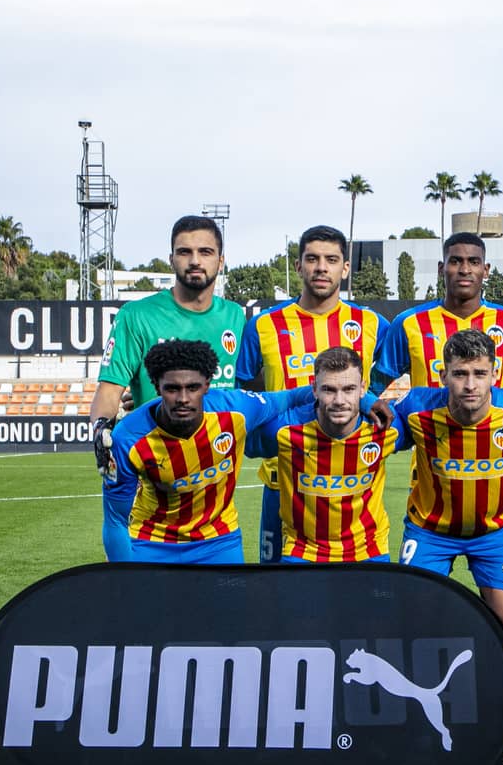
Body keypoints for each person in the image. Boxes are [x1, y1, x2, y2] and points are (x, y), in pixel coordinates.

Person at [390, 329, 503, 765]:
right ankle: (411, 734)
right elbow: (373, 425)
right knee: (411, 622)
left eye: (480, 373)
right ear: (443, 374)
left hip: (494, 533)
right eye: (460, 374)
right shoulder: (416, 408)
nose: (470, 384)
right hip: (429, 531)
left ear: (495, 374)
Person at [91, 216, 247, 559]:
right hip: (155, 482)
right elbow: (110, 388)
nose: (195, 260)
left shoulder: (236, 317)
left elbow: (249, 389)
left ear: (221, 260)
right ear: (171, 258)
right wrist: (100, 430)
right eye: (184, 252)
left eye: (205, 252)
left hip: (212, 483)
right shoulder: (136, 316)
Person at [237, 225, 389, 563]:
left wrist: (368, 399)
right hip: (283, 478)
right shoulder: (263, 326)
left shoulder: (372, 324)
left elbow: (385, 374)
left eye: (331, 260)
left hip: (353, 477)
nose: (321, 267)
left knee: (363, 586)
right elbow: (245, 393)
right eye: (312, 259)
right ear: (298, 266)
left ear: (345, 268)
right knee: (277, 587)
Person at [100, 340, 314, 564]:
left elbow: (291, 398)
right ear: (157, 386)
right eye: (172, 389)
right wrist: (123, 573)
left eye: (193, 387)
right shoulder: (127, 439)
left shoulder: (235, 409)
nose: (183, 399)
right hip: (152, 542)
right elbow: (116, 520)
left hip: (219, 541)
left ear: (207, 385)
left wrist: (341, 401)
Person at [249, 346, 399, 564]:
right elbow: (239, 439)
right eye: (329, 390)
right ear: (314, 390)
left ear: (363, 389)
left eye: (349, 389)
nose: (339, 400)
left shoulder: (387, 426)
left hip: (369, 552)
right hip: (303, 552)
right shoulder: (284, 430)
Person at [373, 232, 503, 391]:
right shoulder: (409, 323)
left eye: (474, 262)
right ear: (441, 269)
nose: (465, 270)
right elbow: (374, 387)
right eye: (455, 261)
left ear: (485, 270)